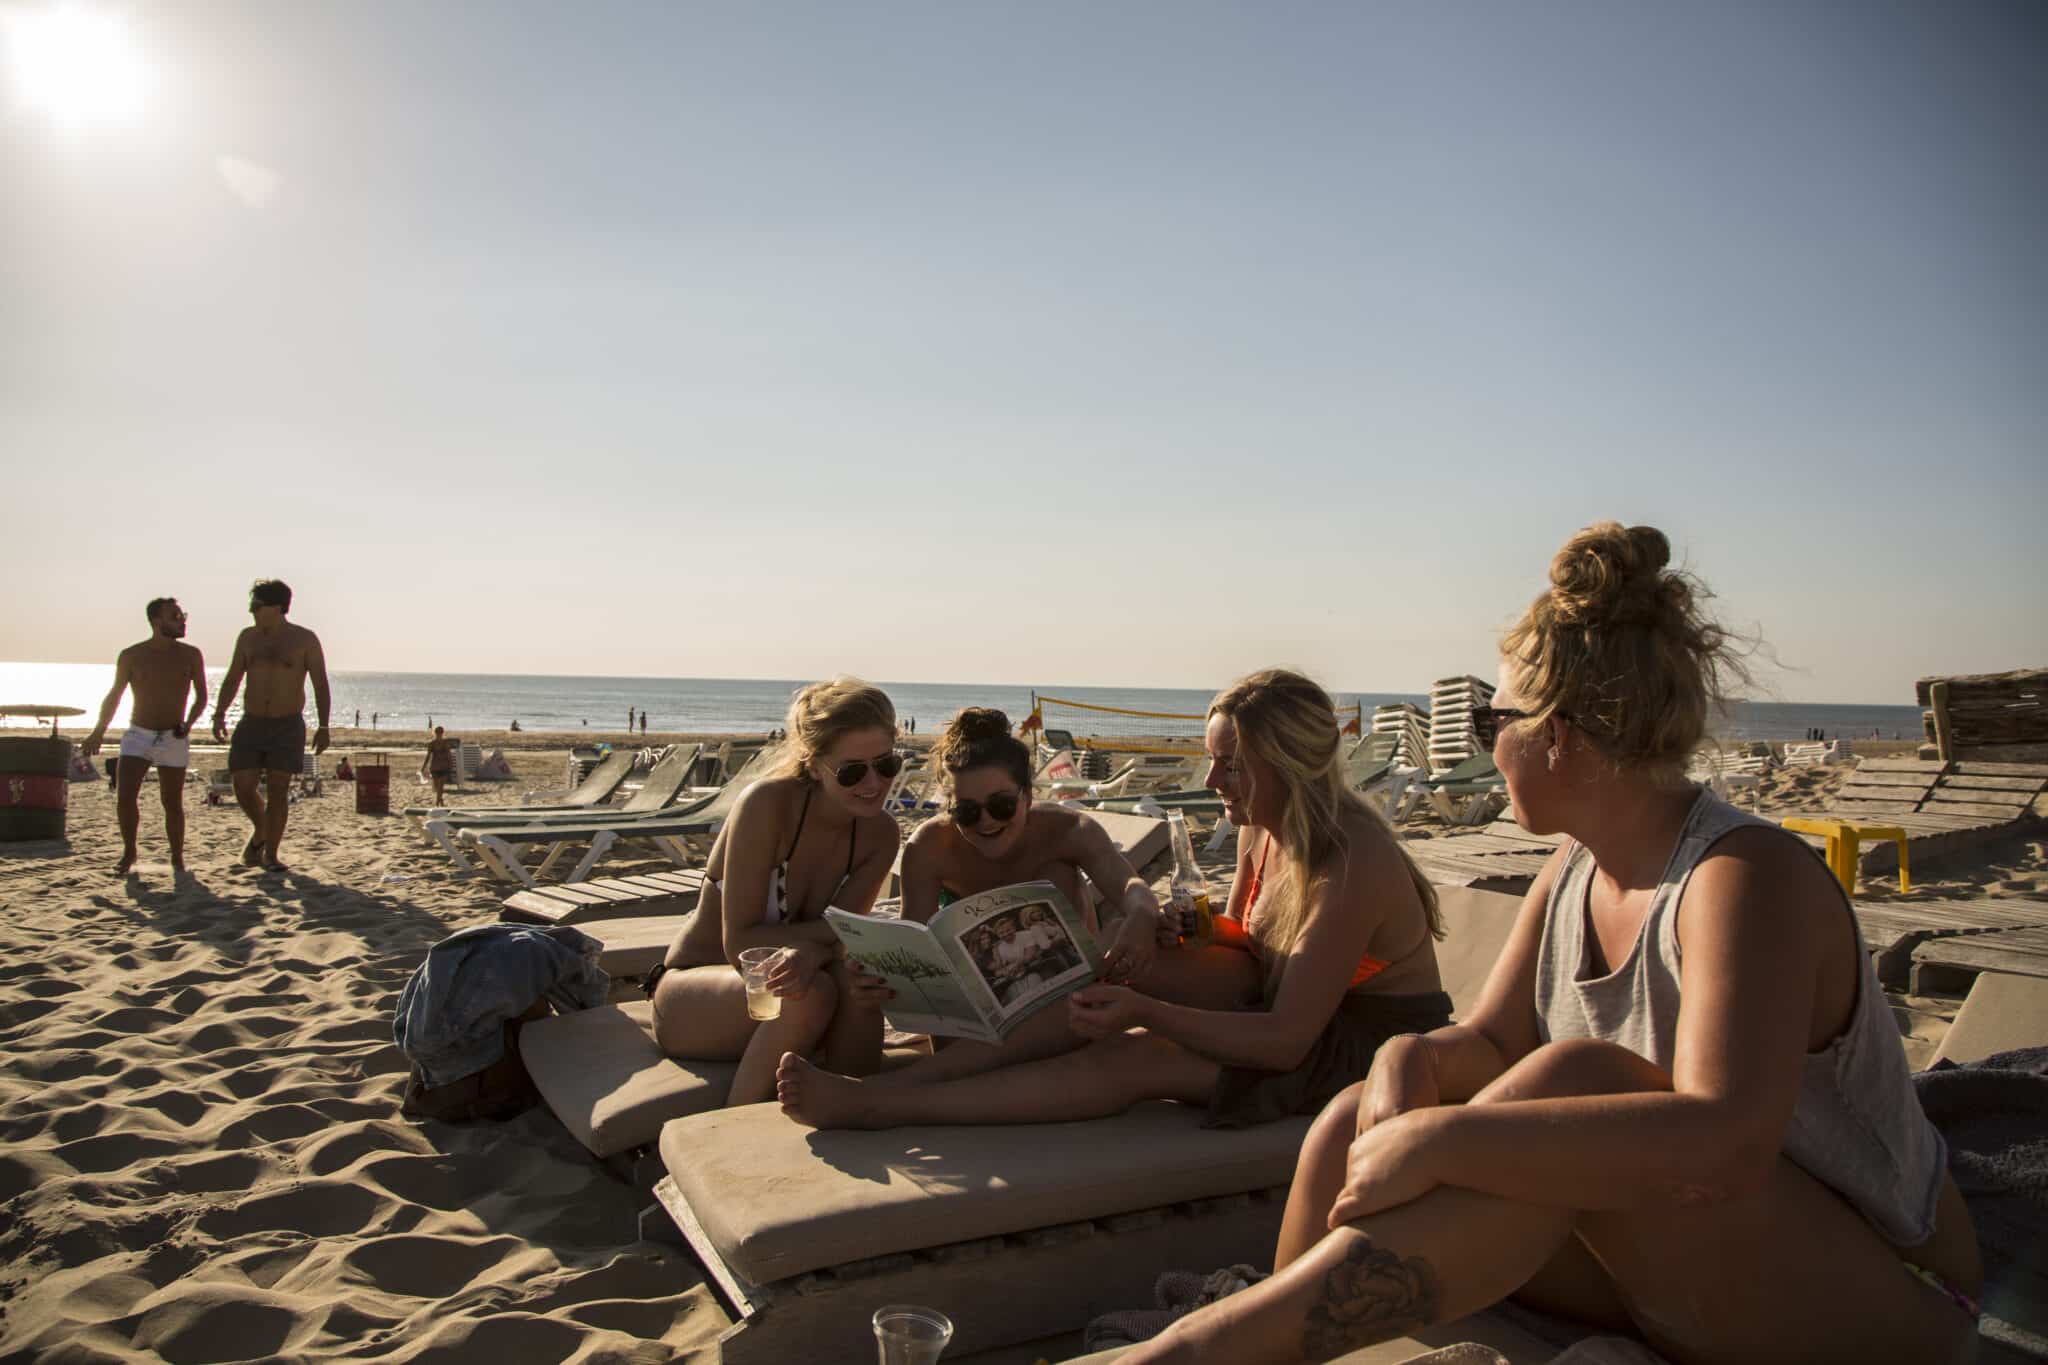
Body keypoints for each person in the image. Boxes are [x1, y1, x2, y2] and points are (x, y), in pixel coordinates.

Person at [1116, 524, 1982, 1365]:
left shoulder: (1742, 878)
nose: (1489, 743)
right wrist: (1408, 1060)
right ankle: (1270, 1333)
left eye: (1498, 718)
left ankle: (1204, 1350)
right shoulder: (1575, 867)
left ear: (1558, 733)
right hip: (1679, 1270)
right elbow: (1491, 1042)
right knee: (1350, 1116)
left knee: (1581, 1079)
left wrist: (1443, 1142)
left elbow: (1724, 1139)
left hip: (1887, 1300)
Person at [777, 672, 1451, 1131]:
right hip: (1284, 1006)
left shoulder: (1351, 858)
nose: (1211, 778)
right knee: (1105, 971)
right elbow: (1258, 944)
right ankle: (914, 1086)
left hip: (1366, 1046)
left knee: (1136, 1053)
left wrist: (1145, 1010)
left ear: (1291, 764)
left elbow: (1283, 1041)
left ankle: (885, 1104)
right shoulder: (1261, 825)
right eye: (1210, 758)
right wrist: (1204, 929)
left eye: (1232, 764)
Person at [648, 678, 905, 1105]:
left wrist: (823, 950)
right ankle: (727, 1141)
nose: (873, 783)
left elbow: (844, 935)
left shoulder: (880, 834)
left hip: (785, 990)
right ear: (814, 763)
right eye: (853, 771)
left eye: (887, 765)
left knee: (858, 989)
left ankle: (853, 1119)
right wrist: (822, 946)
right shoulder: (767, 806)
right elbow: (741, 943)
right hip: (695, 994)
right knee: (809, 992)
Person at [80, 597, 208, 875]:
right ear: (156, 621)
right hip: (139, 734)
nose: (182, 620)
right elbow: (115, 695)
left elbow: (201, 696)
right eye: (175, 616)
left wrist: (189, 723)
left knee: (171, 801)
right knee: (125, 796)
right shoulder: (132, 655)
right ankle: (129, 852)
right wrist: (98, 731)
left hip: (173, 735)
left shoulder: (190, 654)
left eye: (182, 614)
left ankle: (177, 857)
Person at [211, 579, 330, 872]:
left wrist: (324, 726)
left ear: (276, 607)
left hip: (287, 724)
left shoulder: (304, 640)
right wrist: (219, 713)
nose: (251, 611)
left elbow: (320, 683)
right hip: (252, 721)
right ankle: (262, 831)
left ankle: (270, 854)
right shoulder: (248, 638)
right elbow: (233, 678)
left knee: (278, 790)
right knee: (243, 785)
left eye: (257, 606)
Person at [420, 725, 456, 805]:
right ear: (435, 733)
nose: (439, 734)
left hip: (444, 766)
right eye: (438, 732)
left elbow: (449, 755)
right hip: (435, 766)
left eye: (440, 732)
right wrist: (423, 767)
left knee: (441, 785)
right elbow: (428, 756)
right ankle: (440, 799)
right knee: (436, 787)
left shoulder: (445, 743)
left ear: (442, 733)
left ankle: (437, 802)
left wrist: (451, 765)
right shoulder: (432, 744)